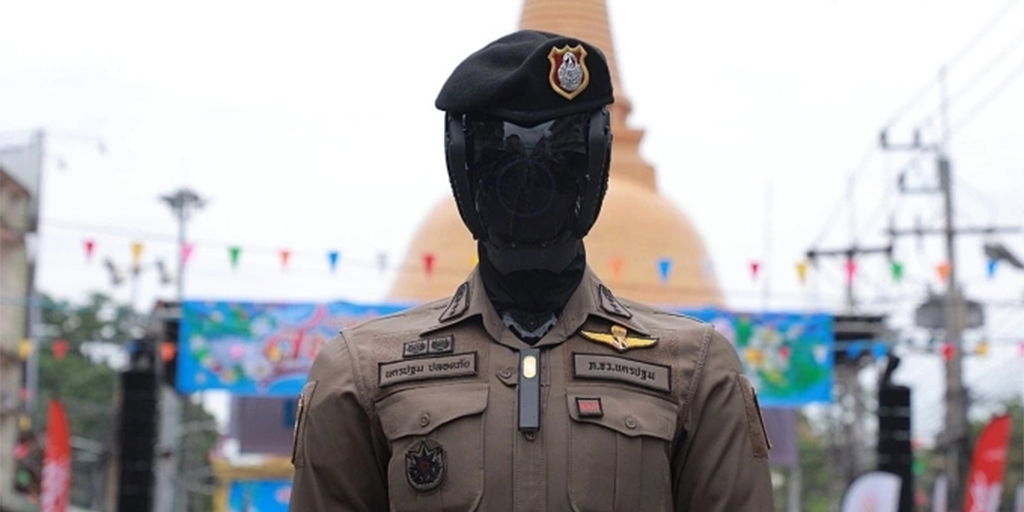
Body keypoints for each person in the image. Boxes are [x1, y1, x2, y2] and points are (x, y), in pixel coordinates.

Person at [290, 30, 774, 511]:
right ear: (464, 169)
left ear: (595, 168)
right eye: (500, 159)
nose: (529, 186)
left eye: (560, 160)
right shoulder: (364, 372)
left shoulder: (692, 369)